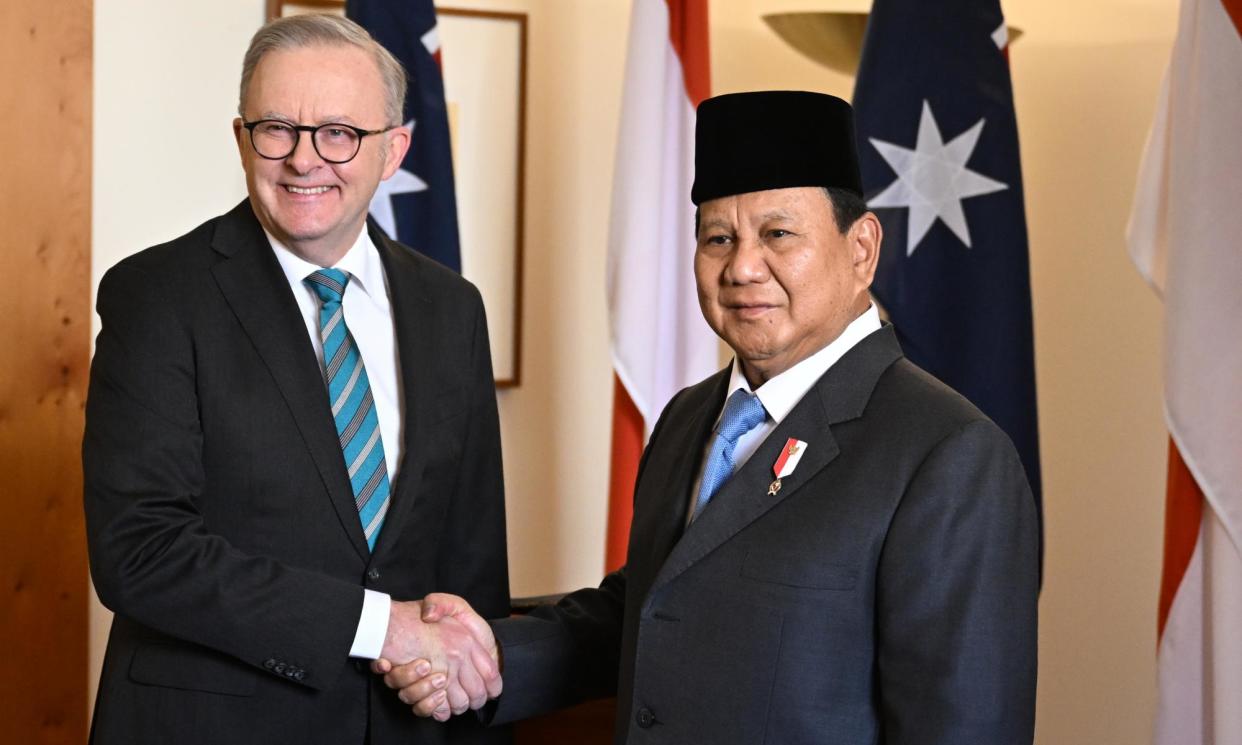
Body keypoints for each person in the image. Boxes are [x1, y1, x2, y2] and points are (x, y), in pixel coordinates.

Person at [384, 91, 1040, 744]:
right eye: (717, 238)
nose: (742, 268)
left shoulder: (947, 452)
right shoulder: (688, 416)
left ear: (862, 249)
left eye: (778, 234)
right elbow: (651, 609)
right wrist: (491, 654)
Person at [83, 14, 508, 745]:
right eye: (277, 128)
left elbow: (472, 565)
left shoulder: (451, 309)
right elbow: (140, 550)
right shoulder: (157, 295)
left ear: (394, 150)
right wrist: (378, 627)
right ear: (242, 137)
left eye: (339, 132)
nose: (305, 160)